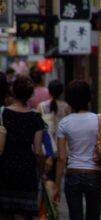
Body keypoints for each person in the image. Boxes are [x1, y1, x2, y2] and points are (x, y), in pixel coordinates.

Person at [53, 80, 101, 220]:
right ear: (88, 98)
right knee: (93, 217)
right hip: (94, 175)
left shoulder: (64, 123)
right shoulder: (99, 119)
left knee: (75, 216)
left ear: (69, 100)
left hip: (73, 174)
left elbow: (62, 158)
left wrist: (57, 185)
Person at [0, 75, 45, 219]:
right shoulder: (36, 118)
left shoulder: (2, 113)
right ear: (30, 94)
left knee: (4, 213)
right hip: (27, 170)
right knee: (23, 214)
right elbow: (38, 151)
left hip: (4, 168)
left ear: (13, 91)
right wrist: (42, 172)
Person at [36, 79, 70, 217]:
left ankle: (46, 213)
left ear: (49, 91)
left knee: (47, 183)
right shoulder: (66, 107)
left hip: (46, 152)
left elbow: (41, 132)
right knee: (57, 183)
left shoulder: (41, 106)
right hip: (62, 152)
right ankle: (53, 211)